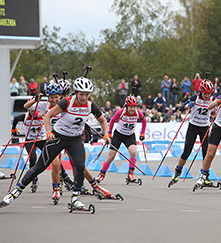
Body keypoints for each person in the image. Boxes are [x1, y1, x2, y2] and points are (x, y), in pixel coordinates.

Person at [1, 77, 110, 212]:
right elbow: (48, 116)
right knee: (39, 166)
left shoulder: (90, 105)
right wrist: (48, 133)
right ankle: (14, 193)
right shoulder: (66, 102)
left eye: (87, 94)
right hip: (58, 137)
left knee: (80, 165)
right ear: (76, 92)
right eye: (81, 94)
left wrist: (106, 134)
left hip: (75, 139)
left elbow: (103, 120)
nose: (84, 97)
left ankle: (76, 198)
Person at [168, 80, 217, 186]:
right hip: (193, 127)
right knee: (187, 151)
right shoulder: (196, 97)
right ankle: (177, 171)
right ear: (201, 91)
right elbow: (181, 108)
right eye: (205, 93)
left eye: (209, 93)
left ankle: (205, 176)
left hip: (205, 127)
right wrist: (188, 105)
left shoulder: (212, 99)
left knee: (206, 153)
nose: (207, 95)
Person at [95, 95, 146, 188]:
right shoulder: (121, 112)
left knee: (133, 152)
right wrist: (109, 133)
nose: (132, 109)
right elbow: (113, 120)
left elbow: (144, 121)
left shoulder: (138, 113)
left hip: (129, 135)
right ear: (126, 106)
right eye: (131, 107)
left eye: (134, 107)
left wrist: (142, 133)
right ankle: (101, 175)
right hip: (118, 135)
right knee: (111, 156)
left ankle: (130, 174)